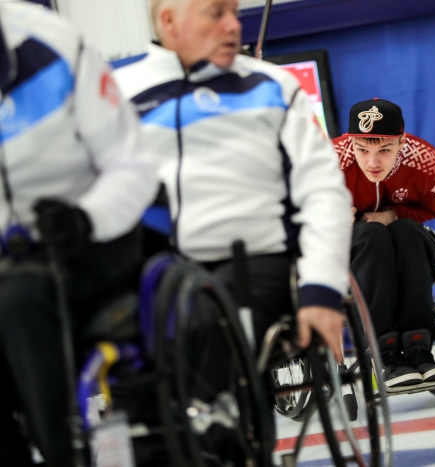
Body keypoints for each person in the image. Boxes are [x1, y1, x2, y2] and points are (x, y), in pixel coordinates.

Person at [114, 0, 351, 365]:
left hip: (256, 263)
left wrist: (322, 287)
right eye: (216, 13)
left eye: (235, 13)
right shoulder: (116, 95)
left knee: (203, 326)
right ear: (170, 22)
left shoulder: (275, 86)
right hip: (155, 268)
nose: (233, 25)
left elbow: (323, 191)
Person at [0, 2, 159, 465]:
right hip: (11, 261)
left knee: (17, 300)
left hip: (91, 242)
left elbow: (132, 165)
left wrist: (87, 217)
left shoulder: (55, 45)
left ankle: (63, 454)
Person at [333, 98, 435, 388]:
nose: (373, 162)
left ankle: (418, 345)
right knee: (371, 236)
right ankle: (383, 350)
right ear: (349, 142)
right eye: (362, 150)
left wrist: (393, 214)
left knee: (409, 232)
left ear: (402, 142)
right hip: (347, 244)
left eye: (384, 150)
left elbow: (430, 209)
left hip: (398, 235)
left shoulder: (426, 161)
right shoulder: (327, 163)